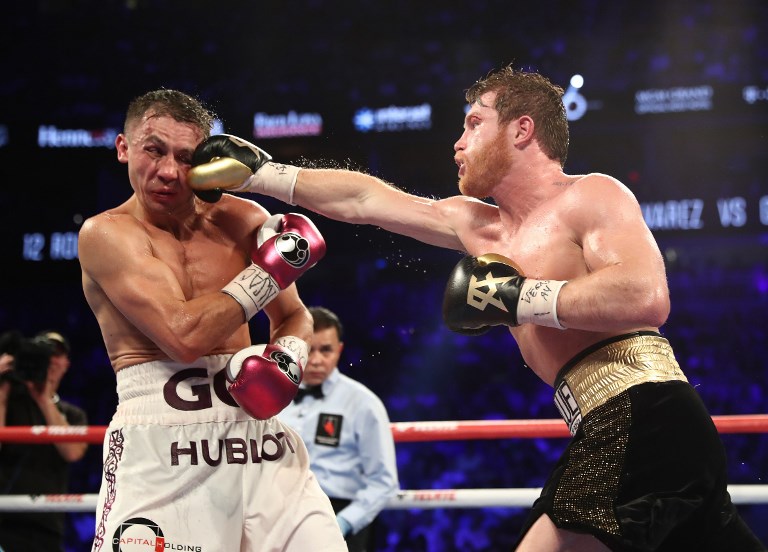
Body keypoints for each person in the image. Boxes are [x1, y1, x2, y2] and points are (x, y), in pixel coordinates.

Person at [186, 67, 766, 551]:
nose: (457, 143)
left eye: (472, 124)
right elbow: (367, 200)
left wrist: (519, 298)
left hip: (645, 414)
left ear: (521, 130)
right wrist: (265, 172)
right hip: (615, 423)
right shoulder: (476, 225)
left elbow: (646, 297)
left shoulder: (590, 195)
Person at [77, 89, 347, 551]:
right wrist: (269, 271)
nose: (168, 171)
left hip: (258, 440)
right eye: (154, 150)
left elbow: (294, 315)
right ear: (123, 147)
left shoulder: (242, 217)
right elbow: (184, 336)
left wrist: (287, 361)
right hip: (163, 442)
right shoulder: (106, 233)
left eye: (186, 157)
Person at [279, 306, 399, 551]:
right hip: (279, 513)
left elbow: (383, 481)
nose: (316, 360)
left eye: (326, 350)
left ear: (339, 350)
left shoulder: (363, 403)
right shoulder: (273, 397)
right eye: (309, 350)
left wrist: (344, 522)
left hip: (339, 512)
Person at [0, 330, 88, 552]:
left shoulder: (72, 414)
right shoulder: (9, 401)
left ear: (66, 364)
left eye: (56, 354)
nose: (50, 360)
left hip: (46, 525)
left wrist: (44, 399)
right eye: (45, 353)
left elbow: (73, 452)